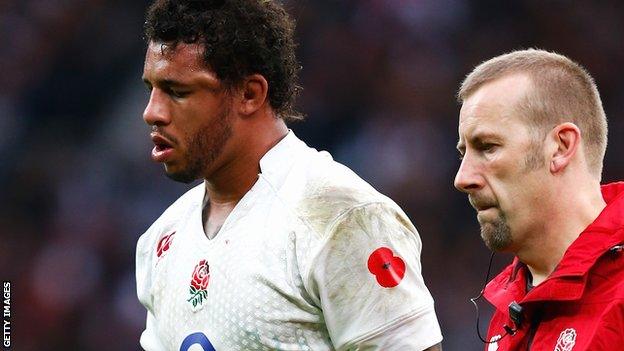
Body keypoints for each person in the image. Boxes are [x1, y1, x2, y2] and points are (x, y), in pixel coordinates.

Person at [135, 1, 443, 350]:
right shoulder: (162, 240)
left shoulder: (339, 217)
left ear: (250, 94)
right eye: (151, 89)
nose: (152, 112)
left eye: (178, 92)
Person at [454, 48, 624, 350]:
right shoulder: (508, 311)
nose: (463, 179)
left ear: (560, 147)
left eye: (488, 147)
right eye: (463, 152)